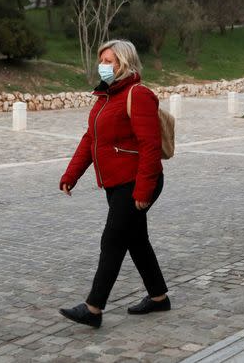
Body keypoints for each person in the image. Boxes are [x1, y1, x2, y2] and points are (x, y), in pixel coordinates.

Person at [58, 40, 170, 328]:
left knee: (112, 240)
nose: (103, 66)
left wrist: (143, 191)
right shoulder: (105, 97)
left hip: (136, 182)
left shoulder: (138, 94)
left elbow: (150, 146)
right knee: (136, 240)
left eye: (109, 61)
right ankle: (159, 297)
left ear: (124, 63)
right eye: (102, 60)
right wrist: (71, 174)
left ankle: (93, 308)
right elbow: (90, 139)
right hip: (116, 183)